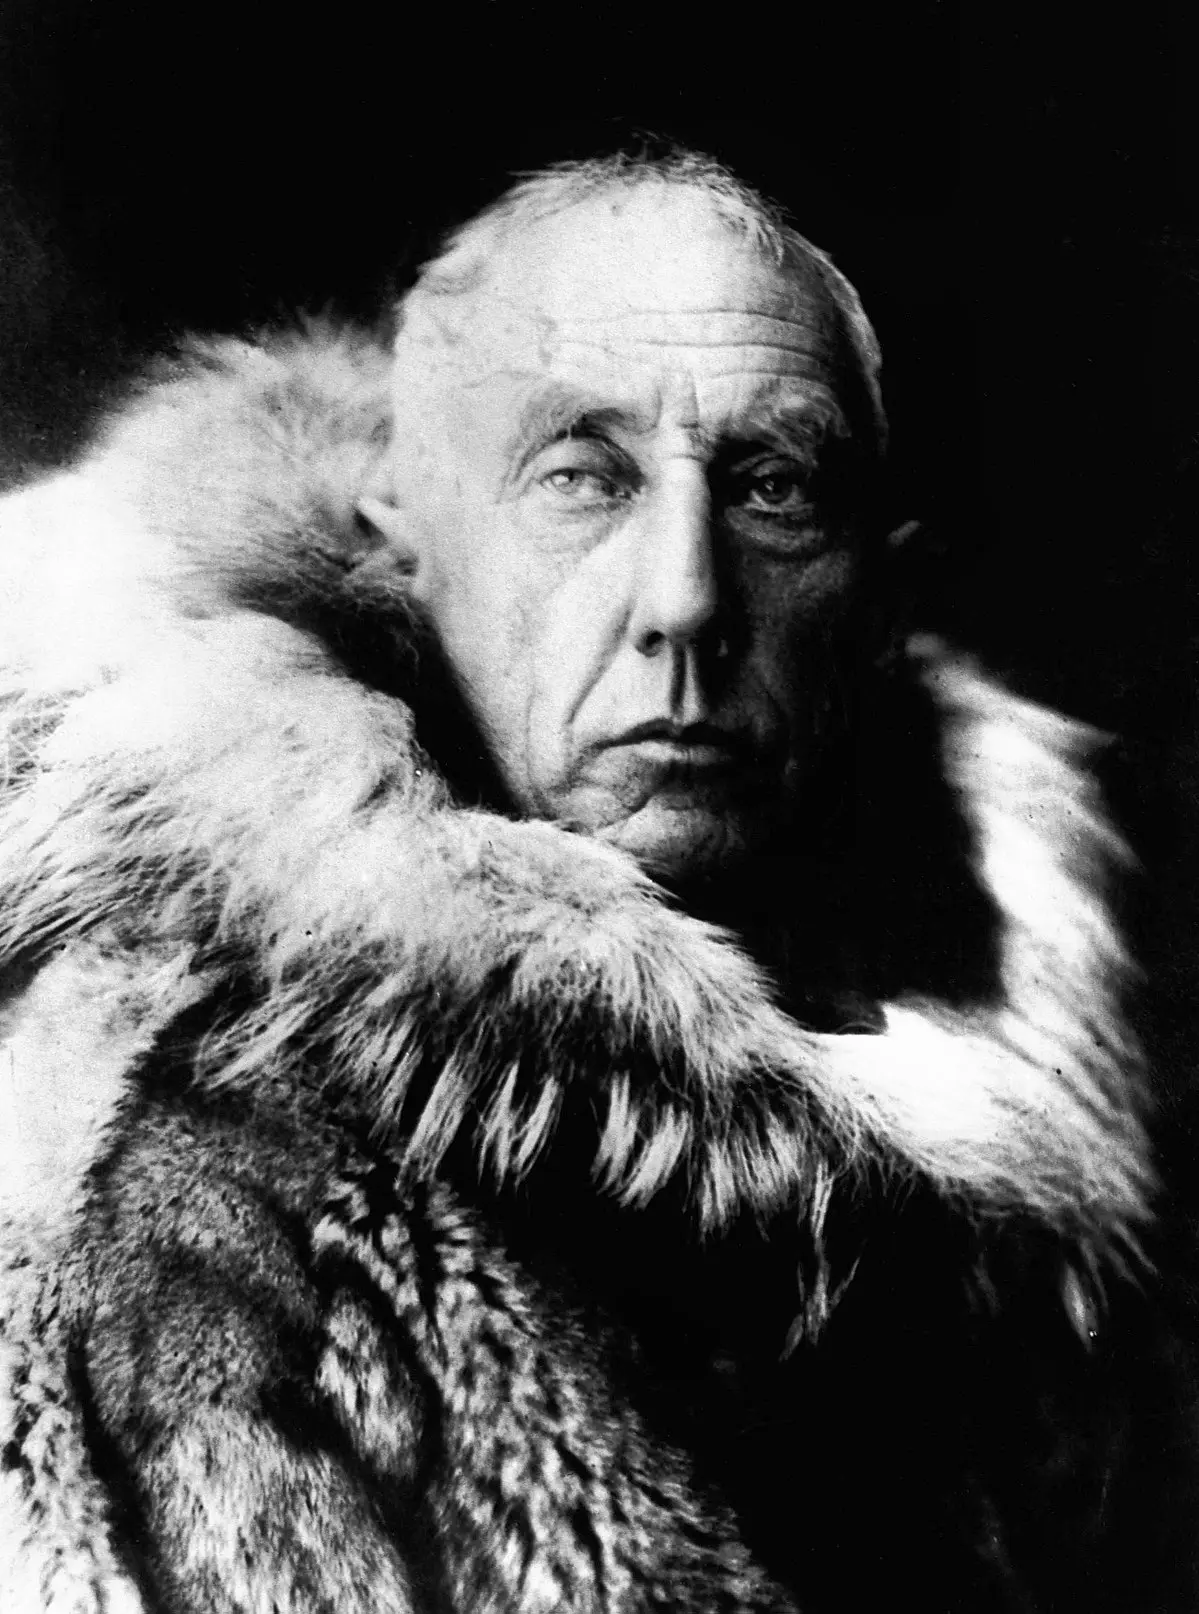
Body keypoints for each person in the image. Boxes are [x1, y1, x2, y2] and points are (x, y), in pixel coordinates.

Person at [0, 150, 1193, 1612]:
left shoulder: (1039, 1151)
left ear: (877, 601)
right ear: (403, 547)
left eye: (772, 488)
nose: (685, 599)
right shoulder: (171, 1178)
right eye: (581, 477)